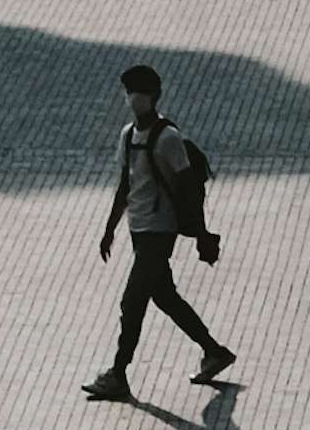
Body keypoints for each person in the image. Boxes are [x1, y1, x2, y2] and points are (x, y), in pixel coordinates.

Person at [87, 62, 232, 398]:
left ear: (155, 96)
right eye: (129, 92)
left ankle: (118, 373)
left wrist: (202, 235)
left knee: (132, 301)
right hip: (139, 229)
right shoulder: (127, 136)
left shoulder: (168, 139)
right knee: (164, 296)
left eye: (139, 92)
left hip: (159, 231)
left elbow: (188, 191)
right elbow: (124, 186)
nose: (133, 98)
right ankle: (214, 352)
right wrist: (109, 230)